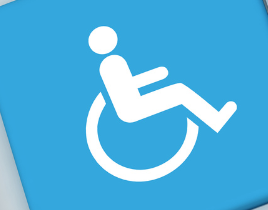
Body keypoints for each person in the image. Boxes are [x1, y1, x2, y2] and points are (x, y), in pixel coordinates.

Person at [88, 26, 237, 132]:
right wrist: (156, 74)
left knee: (179, 90)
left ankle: (215, 119)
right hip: (133, 108)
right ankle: (215, 120)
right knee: (180, 91)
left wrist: (156, 75)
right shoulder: (113, 62)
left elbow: (128, 86)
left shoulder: (108, 63)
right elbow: (126, 88)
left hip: (133, 105)